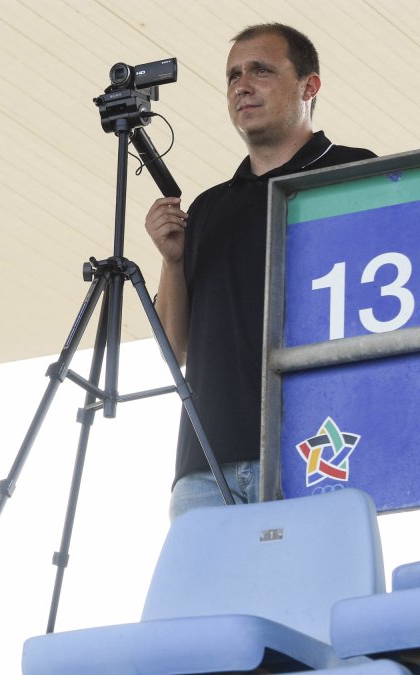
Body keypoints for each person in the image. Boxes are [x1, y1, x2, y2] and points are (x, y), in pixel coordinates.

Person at [144, 23, 375, 520]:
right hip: (206, 464)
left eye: (261, 71)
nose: (242, 86)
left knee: (311, 576)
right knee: (201, 579)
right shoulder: (209, 208)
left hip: (320, 447)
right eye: (233, 76)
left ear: (309, 85)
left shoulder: (356, 176)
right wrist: (172, 261)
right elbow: (174, 348)